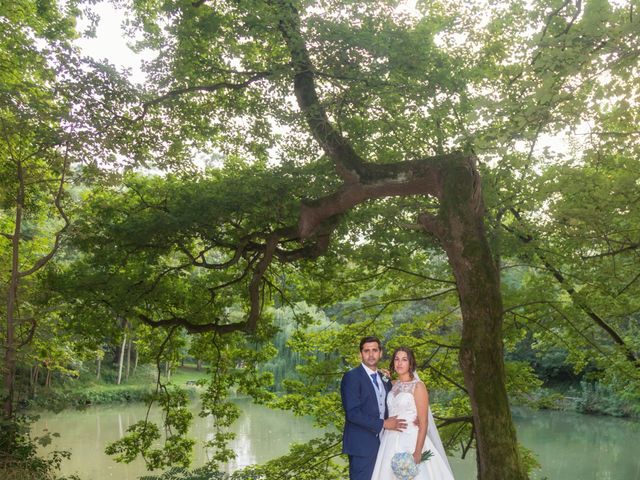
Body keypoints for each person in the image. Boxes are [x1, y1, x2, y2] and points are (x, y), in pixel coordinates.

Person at [371, 346, 455, 480]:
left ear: (410, 363)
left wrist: (417, 452)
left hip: (411, 439)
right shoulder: (392, 384)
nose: (399, 363)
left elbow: (424, 422)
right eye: (396, 359)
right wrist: (380, 374)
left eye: (404, 359)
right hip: (389, 440)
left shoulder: (418, 386)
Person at [341, 336, 408, 480]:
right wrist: (384, 424)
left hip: (385, 445)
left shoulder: (384, 378)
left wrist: (411, 419)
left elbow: (394, 403)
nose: (371, 355)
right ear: (360, 354)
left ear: (380, 353)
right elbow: (352, 414)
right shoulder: (351, 377)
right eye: (366, 351)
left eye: (374, 350)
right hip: (362, 447)